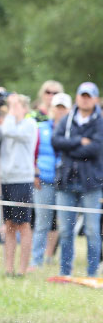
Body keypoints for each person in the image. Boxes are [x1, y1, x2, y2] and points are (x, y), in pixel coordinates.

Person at [0, 91, 38, 275]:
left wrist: (10, 109)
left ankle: (22, 270)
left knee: (23, 225)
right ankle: (9, 268)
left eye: (16, 105)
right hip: (7, 179)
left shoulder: (29, 124)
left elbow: (11, 131)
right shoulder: (7, 123)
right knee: (10, 224)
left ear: (24, 107)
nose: (11, 109)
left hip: (22, 179)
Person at [52, 82, 103, 277]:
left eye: (88, 96)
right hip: (66, 181)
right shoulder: (67, 119)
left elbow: (96, 148)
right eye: (82, 95)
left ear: (95, 99)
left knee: (91, 230)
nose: (85, 99)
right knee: (65, 230)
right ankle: (65, 272)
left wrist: (71, 148)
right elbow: (56, 141)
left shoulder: (99, 121)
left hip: (92, 183)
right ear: (77, 97)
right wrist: (80, 142)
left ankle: (92, 273)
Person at [31, 92, 71, 268]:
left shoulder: (72, 130)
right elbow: (33, 153)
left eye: (63, 108)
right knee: (42, 222)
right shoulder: (40, 128)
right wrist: (35, 173)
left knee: (65, 225)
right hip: (44, 180)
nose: (60, 112)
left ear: (68, 110)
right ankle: (36, 260)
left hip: (66, 181)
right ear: (52, 109)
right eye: (57, 108)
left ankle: (61, 261)